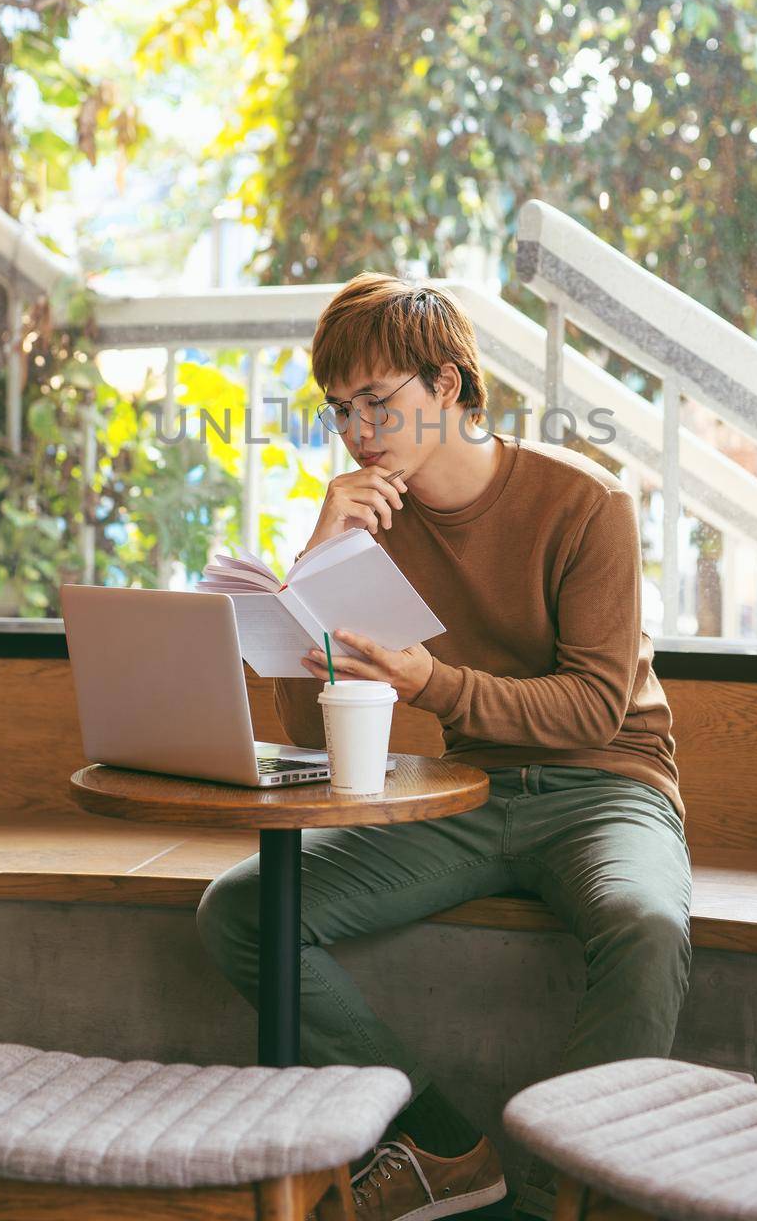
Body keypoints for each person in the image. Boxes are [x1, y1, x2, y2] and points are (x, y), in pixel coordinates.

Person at [197, 272, 691, 1221]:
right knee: (244, 911)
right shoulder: (371, 528)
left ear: (452, 386)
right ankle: (436, 1141)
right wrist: (317, 563)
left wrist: (431, 684)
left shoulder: (587, 504)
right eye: (340, 410)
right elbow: (313, 739)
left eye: (378, 401)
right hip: (464, 791)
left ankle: (564, 1199)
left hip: (609, 786)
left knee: (647, 925)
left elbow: (593, 710)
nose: (358, 429)